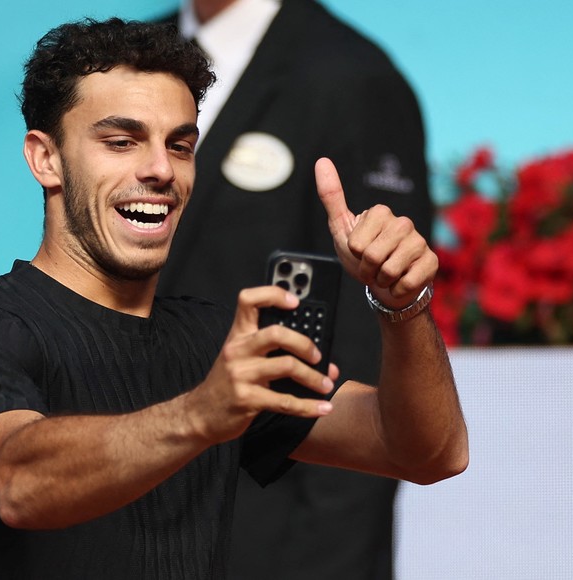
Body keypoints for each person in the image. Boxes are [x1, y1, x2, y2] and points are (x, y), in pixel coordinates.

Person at [0, 17, 467, 580]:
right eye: (121, 142)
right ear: (46, 158)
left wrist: (402, 304)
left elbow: (425, 452)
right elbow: (18, 483)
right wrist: (202, 413)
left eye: (181, 145)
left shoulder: (212, 343)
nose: (161, 169)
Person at [155, 1, 435, 578]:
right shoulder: (123, 59)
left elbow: (370, 345)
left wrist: (330, 560)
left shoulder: (353, 78)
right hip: (122, 511)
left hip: (265, 530)